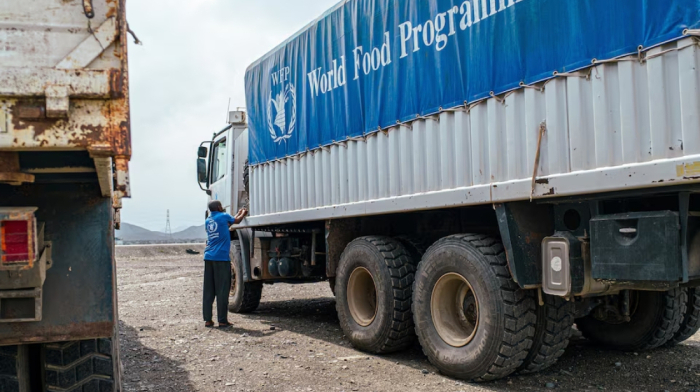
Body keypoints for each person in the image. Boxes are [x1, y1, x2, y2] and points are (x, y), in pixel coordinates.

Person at [203, 200, 247, 328]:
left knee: (209, 290)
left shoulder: (208, 220)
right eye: (221, 205)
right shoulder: (223, 216)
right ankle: (222, 320)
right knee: (222, 290)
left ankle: (208, 320)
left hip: (208, 257)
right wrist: (243, 213)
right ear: (218, 207)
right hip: (221, 258)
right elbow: (236, 221)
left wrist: (237, 214)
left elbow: (225, 227)